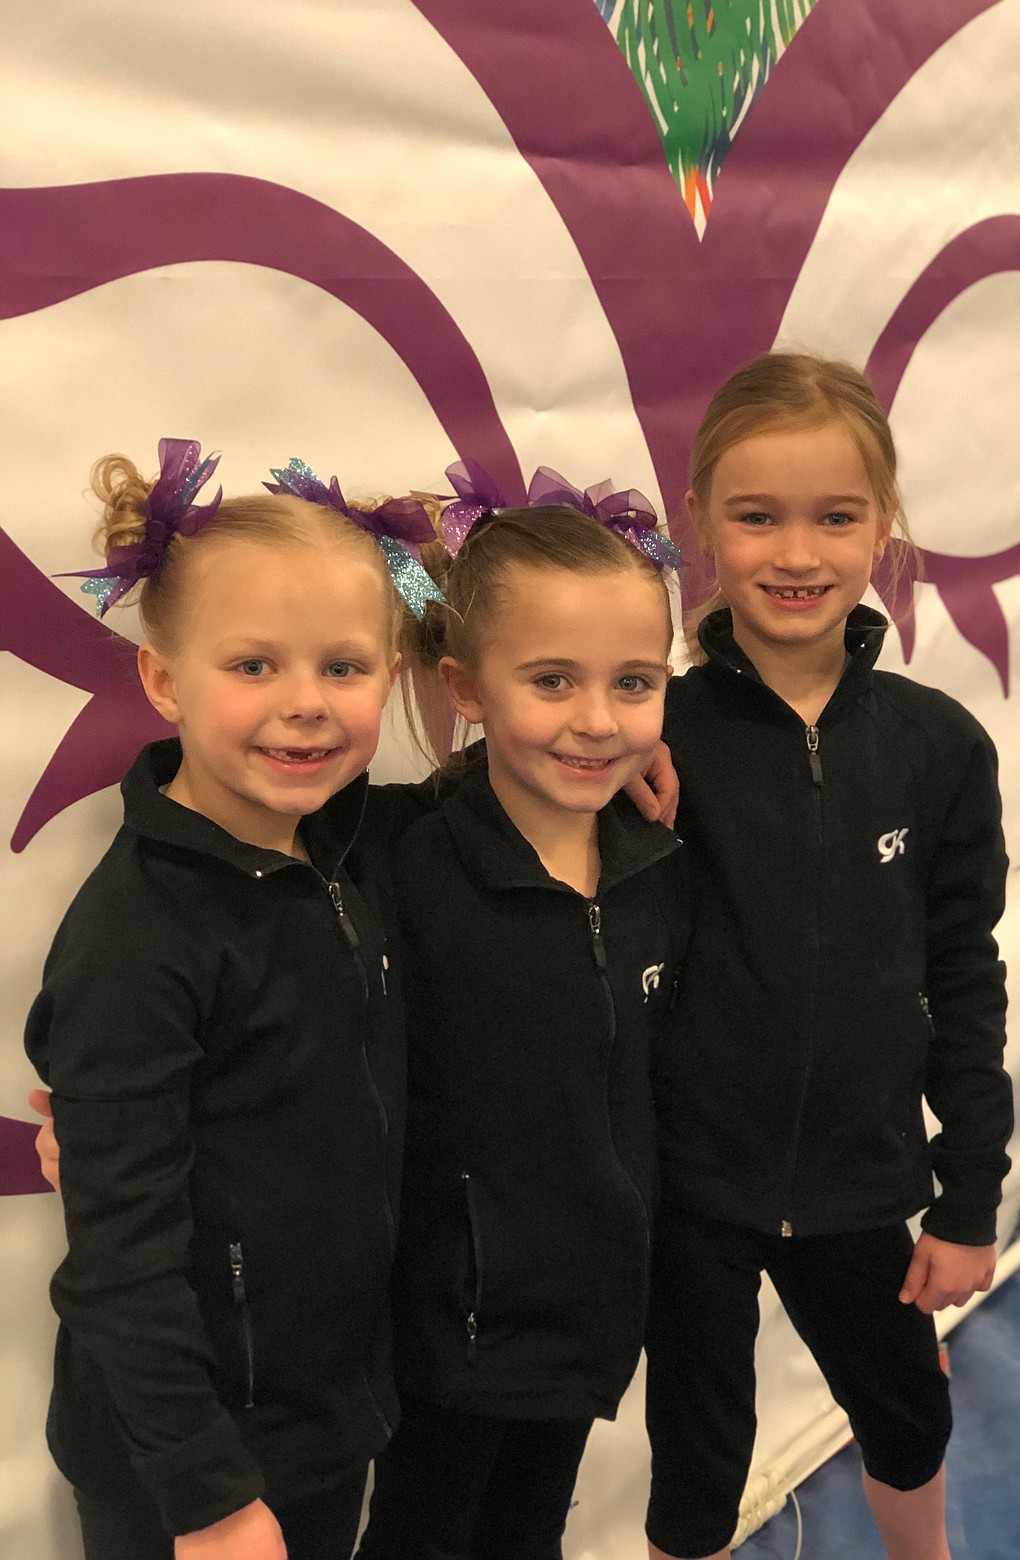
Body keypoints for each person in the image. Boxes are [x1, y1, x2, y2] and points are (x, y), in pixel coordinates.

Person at [644, 354, 1013, 1560]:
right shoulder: (652, 731)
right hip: (690, 1184)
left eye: (835, 516)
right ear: (701, 525)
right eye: (756, 517)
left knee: (907, 1414)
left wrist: (965, 1195)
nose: (795, 553)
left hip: (865, 1183)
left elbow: (964, 976)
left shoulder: (938, 747)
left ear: (883, 527)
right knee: (697, 1452)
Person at [24, 440, 416, 1560]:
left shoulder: (360, 848)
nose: (305, 706)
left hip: (324, 1416)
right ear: (162, 678)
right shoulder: (135, 941)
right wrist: (204, 1493)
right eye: (253, 666)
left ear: (393, 673)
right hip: (184, 1462)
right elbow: (119, 1254)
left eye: (346, 667)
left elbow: (444, 595)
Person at [354, 487, 690, 1560]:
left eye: (633, 683)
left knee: (529, 1531)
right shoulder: (397, 857)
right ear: (466, 686)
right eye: (552, 681)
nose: (598, 719)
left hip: (588, 1318)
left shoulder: (661, 866)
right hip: (448, 1330)